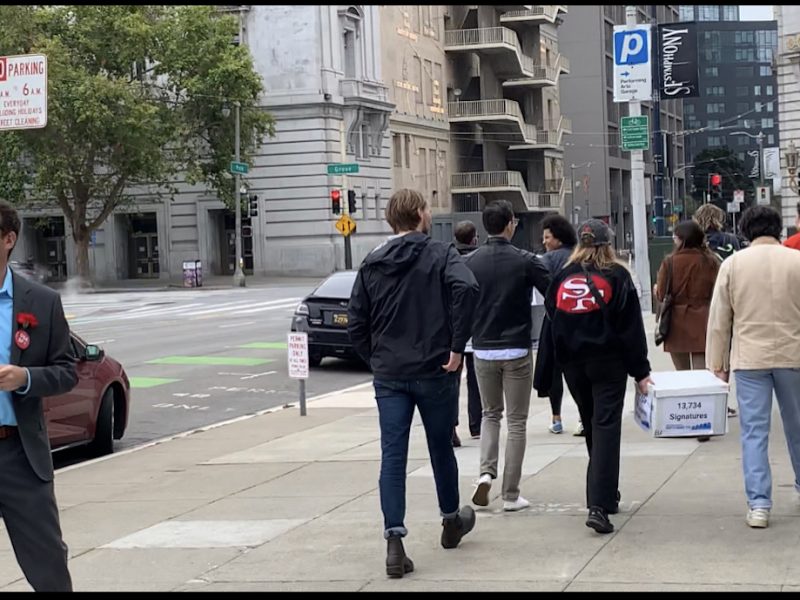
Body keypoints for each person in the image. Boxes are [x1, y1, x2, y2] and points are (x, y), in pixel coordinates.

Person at [347, 189, 479, 579]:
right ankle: (451, 520)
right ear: (420, 214)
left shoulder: (373, 261)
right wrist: (457, 346)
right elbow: (467, 287)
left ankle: (394, 540)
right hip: (434, 367)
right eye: (427, 209)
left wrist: (376, 358)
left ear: (392, 220)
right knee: (441, 446)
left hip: (390, 373)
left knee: (393, 455)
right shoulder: (441, 253)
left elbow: (356, 321)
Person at [546, 219, 652, 534]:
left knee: (592, 424)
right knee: (606, 427)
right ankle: (599, 503)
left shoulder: (563, 275)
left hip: (573, 364)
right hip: (608, 362)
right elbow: (631, 327)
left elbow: (552, 317)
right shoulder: (617, 275)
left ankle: (604, 493)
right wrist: (641, 371)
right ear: (607, 244)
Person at [706, 205, 800, 529]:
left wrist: (717, 364)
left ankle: (759, 504)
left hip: (750, 358)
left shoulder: (733, 264)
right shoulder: (796, 261)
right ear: (778, 228)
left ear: (745, 231)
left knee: (754, 432)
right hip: (793, 354)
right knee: (797, 427)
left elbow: (720, 320)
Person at [0, 201, 78, 591]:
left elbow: (67, 371)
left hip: (19, 455)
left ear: (8, 239)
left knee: (48, 567)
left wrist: (25, 377)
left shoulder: (42, 302)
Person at [465, 200, 550, 512]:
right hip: (516, 347)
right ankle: (511, 494)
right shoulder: (525, 260)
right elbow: (552, 292)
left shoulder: (470, 261)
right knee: (516, 422)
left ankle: (486, 473)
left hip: (483, 347)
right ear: (511, 224)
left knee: (490, 414)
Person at [655, 220, 720, 371]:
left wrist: (656, 289)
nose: (673, 240)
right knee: (702, 372)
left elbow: (661, 294)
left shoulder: (670, 262)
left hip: (676, 321)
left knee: (682, 373)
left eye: (675, 237)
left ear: (682, 240)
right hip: (704, 319)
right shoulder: (710, 261)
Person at [537, 214, 578, 436]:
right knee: (578, 369)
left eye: (547, 237)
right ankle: (583, 416)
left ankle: (556, 418)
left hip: (553, 320)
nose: (544, 242)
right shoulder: (579, 255)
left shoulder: (547, 260)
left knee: (554, 370)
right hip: (580, 318)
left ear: (558, 238)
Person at [452, 221, 482, 443]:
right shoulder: (480, 260)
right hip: (477, 326)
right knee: (476, 379)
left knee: (452, 380)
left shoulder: (448, 260)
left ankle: (451, 426)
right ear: (474, 238)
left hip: (453, 328)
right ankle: (476, 425)